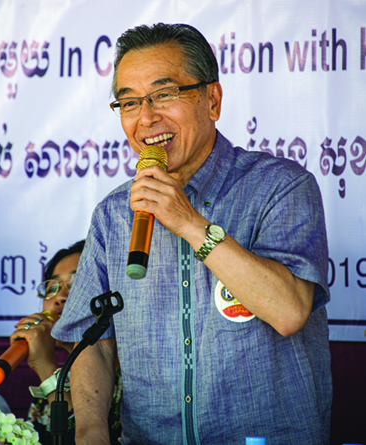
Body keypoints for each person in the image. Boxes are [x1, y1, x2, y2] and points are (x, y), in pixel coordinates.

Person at [52, 23, 332, 445]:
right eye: (129, 102)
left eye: (164, 94)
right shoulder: (114, 214)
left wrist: (187, 220)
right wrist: (91, 432)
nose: (147, 118)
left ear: (212, 100)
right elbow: (94, 340)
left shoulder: (281, 186)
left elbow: (289, 311)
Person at [11, 240, 121, 444]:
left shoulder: (133, 381)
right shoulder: (46, 396)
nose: (60, 297)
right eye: (51, 287)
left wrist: (45, 366)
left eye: (77, 284)